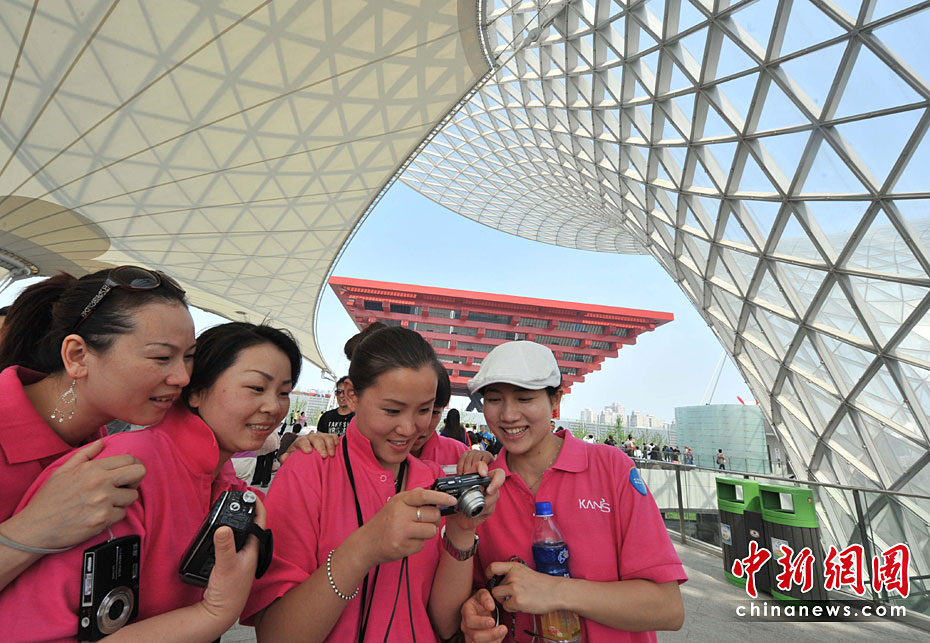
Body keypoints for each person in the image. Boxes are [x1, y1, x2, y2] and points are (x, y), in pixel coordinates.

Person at [0, 321, 302, 640]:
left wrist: (318, 458)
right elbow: (31, 629)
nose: (274, 407)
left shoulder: (229, 488)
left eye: (284, 393)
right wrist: (215, 613)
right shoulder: (124, 470)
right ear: (196, 391)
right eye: (256, 388)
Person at [243, 327, 504, 641]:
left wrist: (462, 531)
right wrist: (362, 550)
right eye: (392, 410)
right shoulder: (310, 471)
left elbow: (445, 626)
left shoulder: (433, 483)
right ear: (352, 395)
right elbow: (276, 635)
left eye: (424, 410)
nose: (409, 428)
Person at [459, 341, 685, 642]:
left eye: (525, 398)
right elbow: (473, 591)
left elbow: (668, 608)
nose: (508, 414)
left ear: (556, 400)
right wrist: (475, 610)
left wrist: (556, 591)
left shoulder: (611, 469)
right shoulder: (484, 488)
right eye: (494, 399)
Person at [0, 267, 193, 591]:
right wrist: (32, 529)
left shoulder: (99, 445)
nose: (182, 377)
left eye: (189, 357)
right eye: (162, 357)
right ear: (77, 356)